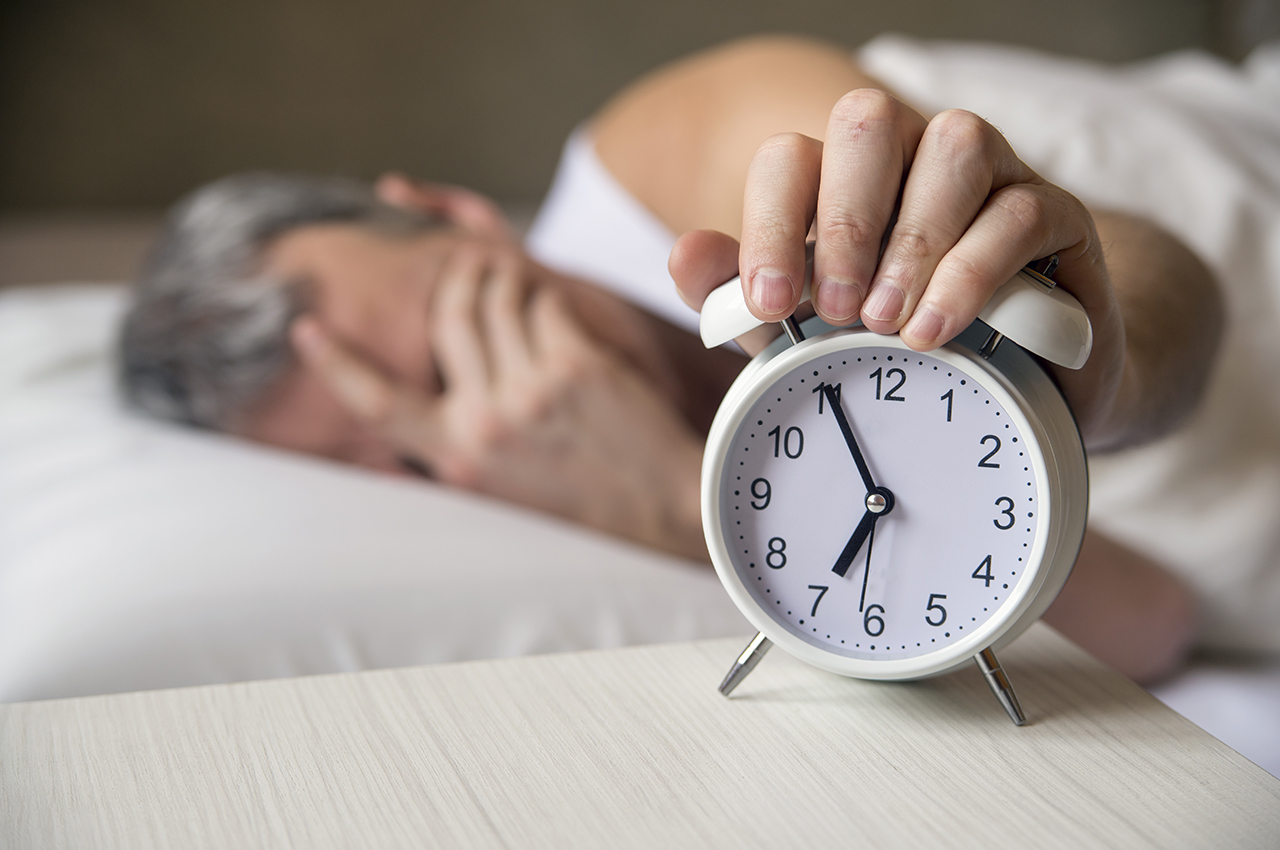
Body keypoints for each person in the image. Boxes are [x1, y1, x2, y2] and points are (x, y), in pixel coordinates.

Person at [121, 35, 1225, 683]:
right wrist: (667, 498)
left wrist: (1091, 370)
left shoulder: (699, 155)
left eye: (460, 344)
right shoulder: (539, 494)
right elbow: (1150, 618)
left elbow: (1112, 262)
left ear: (453, 215)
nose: (512, 414)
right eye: (419, 456)